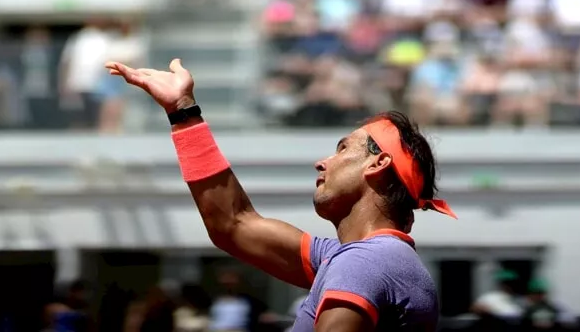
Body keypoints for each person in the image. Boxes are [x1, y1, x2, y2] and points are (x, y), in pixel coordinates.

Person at [105, 58, 455, 332]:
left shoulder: (364, 264)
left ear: (377, 164)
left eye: (343, 148)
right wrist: (182, 111)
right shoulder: (361, 259)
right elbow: (233, 223)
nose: (323, 162)